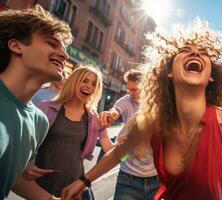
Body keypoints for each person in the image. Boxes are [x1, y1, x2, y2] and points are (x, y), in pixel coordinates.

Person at [61, 20, 222, 200]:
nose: (195, 53)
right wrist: (83, 181)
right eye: (185, 51)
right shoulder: (150, 123)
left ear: (210, 75)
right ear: (169, 72)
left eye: (203, 53)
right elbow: (119, 153)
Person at [0, 5, 72, 199]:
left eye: (64, 50)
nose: (65, 56)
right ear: (16, 46)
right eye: (52, 44)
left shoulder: (39, 122)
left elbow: (10, 175)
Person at [22, 65, 115, 199]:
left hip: (78, 191)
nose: (89, 86)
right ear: (73, 82)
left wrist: (129, 144)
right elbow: (23, 143)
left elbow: (110, 150)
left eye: (94, 84)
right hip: (43, 188)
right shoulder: (45, 108)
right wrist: (26, 164)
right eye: (84, 81)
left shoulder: (95, 118)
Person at [98, 69, 160, 200]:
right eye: (129, 89)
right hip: (128, 179)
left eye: (135, 89)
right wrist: (109, 115)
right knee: (120, 154)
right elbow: (116, 110)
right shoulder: (126, 100)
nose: (132, 93)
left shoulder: (158, 105)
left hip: (156, 179)